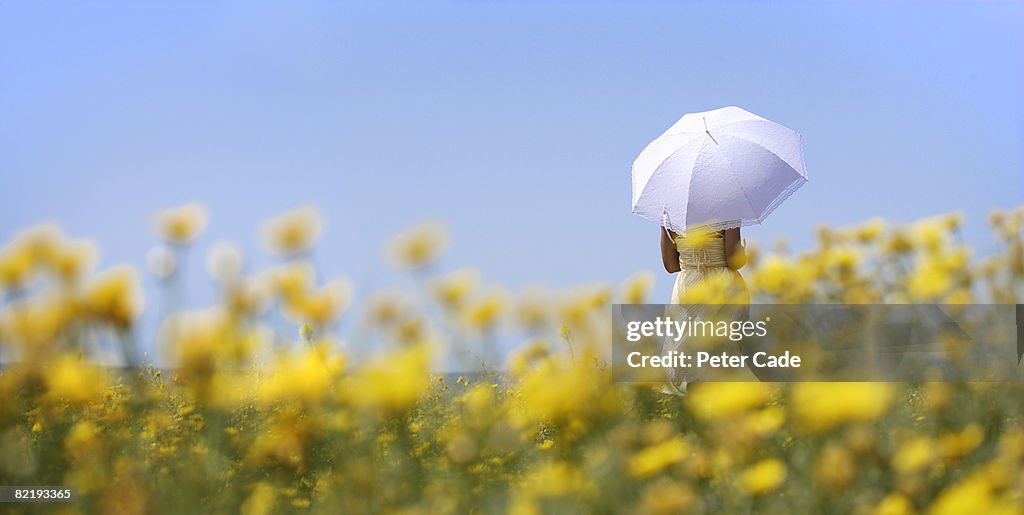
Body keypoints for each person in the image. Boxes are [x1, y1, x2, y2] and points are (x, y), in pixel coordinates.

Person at [660, 224, 750, 392]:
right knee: (723, 352)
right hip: (722, 285)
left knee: (689, 355)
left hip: (688, 286)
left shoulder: (670, 212)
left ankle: (694, 406)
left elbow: (671, 266)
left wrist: (691, 259)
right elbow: (732, 259)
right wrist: (742, 254)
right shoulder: (727, 205)